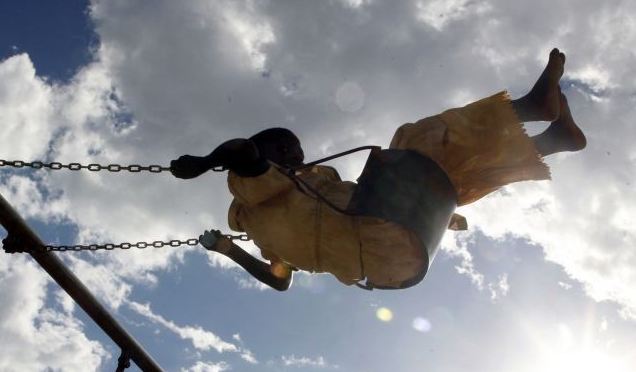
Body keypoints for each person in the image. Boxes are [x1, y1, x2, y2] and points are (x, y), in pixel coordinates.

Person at [170, 49, 586, 291]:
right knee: (414, 140)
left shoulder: (296, 200)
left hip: (394, 258)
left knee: (449, 176)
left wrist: (440, 214)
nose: (297, 157)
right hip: (378, 236)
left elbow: (280, 277)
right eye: (286, 150)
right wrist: (205, 162)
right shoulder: (258, 190)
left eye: (297, 150)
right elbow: (242, 150)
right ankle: (532, 108)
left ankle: (554, 140)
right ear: (267, 154)